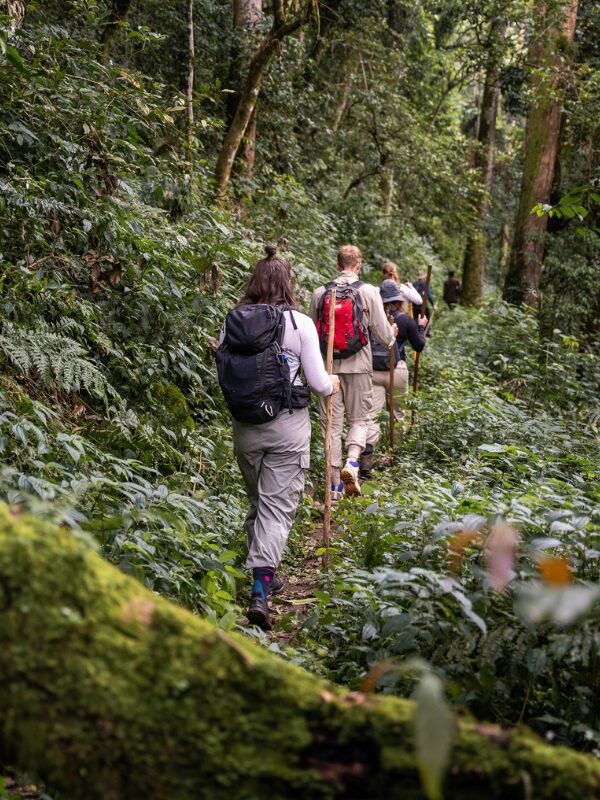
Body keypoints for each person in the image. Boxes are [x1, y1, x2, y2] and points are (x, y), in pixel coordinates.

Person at [217, 246, 340, 630]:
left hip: (245, 428)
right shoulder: (300, 323)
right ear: (288, 284)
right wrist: (333, 383)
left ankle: (266, 574)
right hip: (288, 428)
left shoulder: (232, 322)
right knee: (275, 509)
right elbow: (318, 383)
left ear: (253, 283)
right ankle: (260, 590)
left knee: (260, 502)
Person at [309, 245, 396, 500]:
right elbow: (383, 335)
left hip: (329, 369)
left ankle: (334, 486)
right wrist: (392, 336)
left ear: (337, 265)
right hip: (359, 366)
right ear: (358, 265)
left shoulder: (320, 293)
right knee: (360, 419)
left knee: (331, 425)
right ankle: (353, 461)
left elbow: (310, 333)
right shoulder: (368, 291)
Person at [360, 280, 426, 478]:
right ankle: (395, 458)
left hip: (373, 371)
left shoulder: (372, 317)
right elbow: (419, 346)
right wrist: (420, 327)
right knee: (397, 413)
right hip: (396, 371)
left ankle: (366, 460)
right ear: (399, 299)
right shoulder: (405, 320)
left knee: (371, 415)